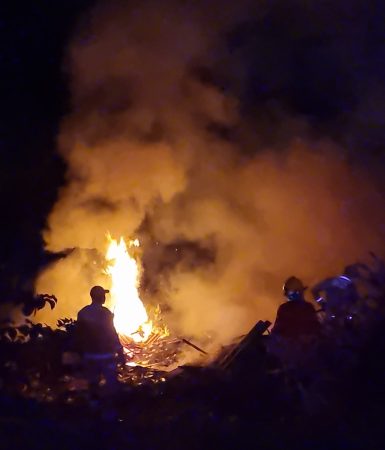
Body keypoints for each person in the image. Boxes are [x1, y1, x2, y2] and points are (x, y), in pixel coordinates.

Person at [76, 285, 124, 393]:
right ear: (101, 297)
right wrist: (120, 352)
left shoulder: (82, 313)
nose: (105, 297)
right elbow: (112, 333)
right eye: (103, 295)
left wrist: (81, 353)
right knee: (111, 385)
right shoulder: (106, 313)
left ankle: (94, 405)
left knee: (92, 385)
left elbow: (79, 335)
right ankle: (110, 406)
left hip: (89, 355)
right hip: (106, 355)